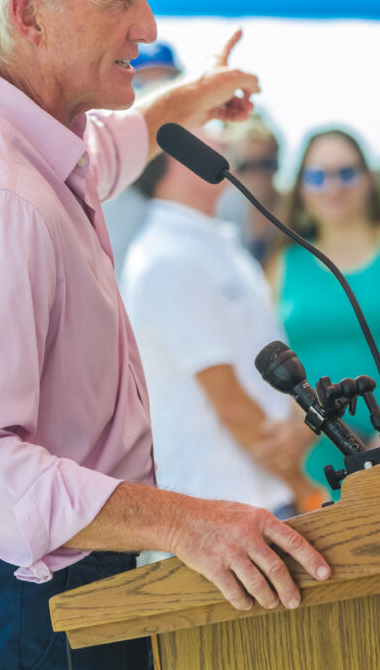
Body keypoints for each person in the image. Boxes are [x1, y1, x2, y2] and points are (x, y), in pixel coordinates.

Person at [0, 0, 330, 670]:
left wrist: (189, 98)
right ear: (29, 17)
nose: (147, 28)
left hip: (25, 603)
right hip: (19, 612)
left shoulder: (6, 130)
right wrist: (184, 522)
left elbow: (110, 150)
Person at [121, 134, 318, 540]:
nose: (223, 137)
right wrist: (307, 492)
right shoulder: (168, 257)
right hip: (224, 517)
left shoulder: (212, 244)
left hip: (259, 502)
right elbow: (230, 402)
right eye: (204, 128)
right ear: (174, 156)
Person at [267, 127, 380, 501]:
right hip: (318, 474)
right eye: (318, 176)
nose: (333, 187)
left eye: (346, 172)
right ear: (300, 187)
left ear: (368, 179)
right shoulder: (281, 264)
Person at [102, 39, 181, 276]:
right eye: (141, 82)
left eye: (165, 82)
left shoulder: (204, 164)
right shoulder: (103, 168)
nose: (153, 92)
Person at [217, 113, 282, 265]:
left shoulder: (294, 209)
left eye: (266, 163)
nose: (258, 175)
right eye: (246, 166)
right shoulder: (220, 213)